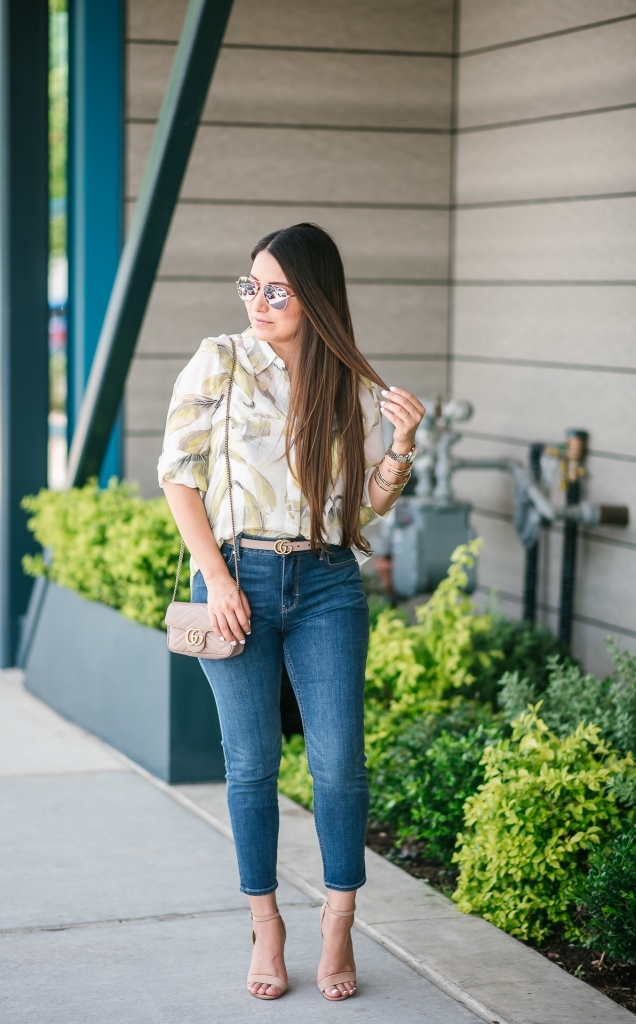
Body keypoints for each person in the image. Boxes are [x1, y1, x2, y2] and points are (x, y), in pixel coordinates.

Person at [159, 223, 424, 1001]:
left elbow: (362, 513)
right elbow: (179, 474)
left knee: (339, 765)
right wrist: (217, 577)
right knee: (251, 765)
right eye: (252, 286)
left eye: (277, 289)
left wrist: (401, 446)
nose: (261, 302)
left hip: (328, 584)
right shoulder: (222, 360)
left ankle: (339, 922)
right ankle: (266, 923)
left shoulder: (346, 380)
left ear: (315, 298)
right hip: (237, 578)